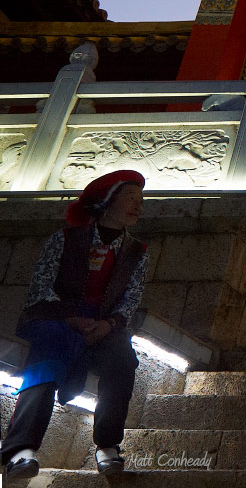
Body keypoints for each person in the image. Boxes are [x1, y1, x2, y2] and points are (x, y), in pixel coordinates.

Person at [2, 171, 148, 481]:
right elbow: (40, 287)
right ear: (107, 202)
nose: (138, 206)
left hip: (102, 324)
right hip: (57, 318)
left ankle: (108, 446)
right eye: (130, 198)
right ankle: (20, 450)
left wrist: (108, 325)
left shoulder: (136, 252)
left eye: (141, 200)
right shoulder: (65, 239)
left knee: (122, 359)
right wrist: (70, 318)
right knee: (49, 356)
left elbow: (130, 299)